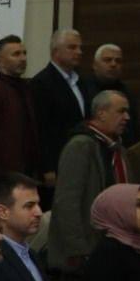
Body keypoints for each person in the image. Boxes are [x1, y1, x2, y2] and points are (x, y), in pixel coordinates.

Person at [49, 89, 132, 281]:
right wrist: (79, 251)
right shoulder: (80, 146)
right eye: (121, 111)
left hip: (117, 249)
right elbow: (67, 202)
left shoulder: (118, 150)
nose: (127, 117)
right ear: (101, 113)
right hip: (87, 254)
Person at [32, 28, 97, 184]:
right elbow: (41, 128)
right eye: (72, 47)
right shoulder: (41, 83)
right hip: (58, 160)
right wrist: (47, 167)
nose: (79, 52)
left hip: (83, 156)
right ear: (56, 51)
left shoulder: (81, 81)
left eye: (80, 47)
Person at [0, 34, 41, 177]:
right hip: (6, 174)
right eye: (16, 54)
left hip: (29, 171)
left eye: (24, 53)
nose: (23, 58)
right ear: (0, 60)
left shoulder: (27, 89)